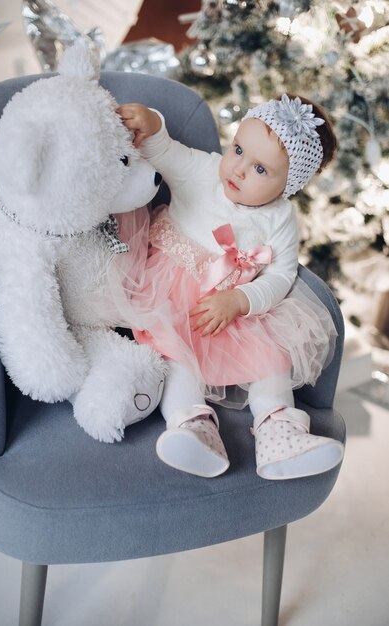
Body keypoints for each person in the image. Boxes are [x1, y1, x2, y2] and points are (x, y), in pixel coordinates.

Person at [117, 93, 344, 480]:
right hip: (174, 296)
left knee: (271, 359)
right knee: (176, 357)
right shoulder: (205, 171)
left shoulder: (281, 218)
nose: (237, 170)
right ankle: (191, 426)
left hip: (234, 309)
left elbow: (280, 276)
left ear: (288, 185)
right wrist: (151, 123)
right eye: (238, 149)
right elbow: (165, 150)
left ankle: (279, 431)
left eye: (260, 170)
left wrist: (241, 300)